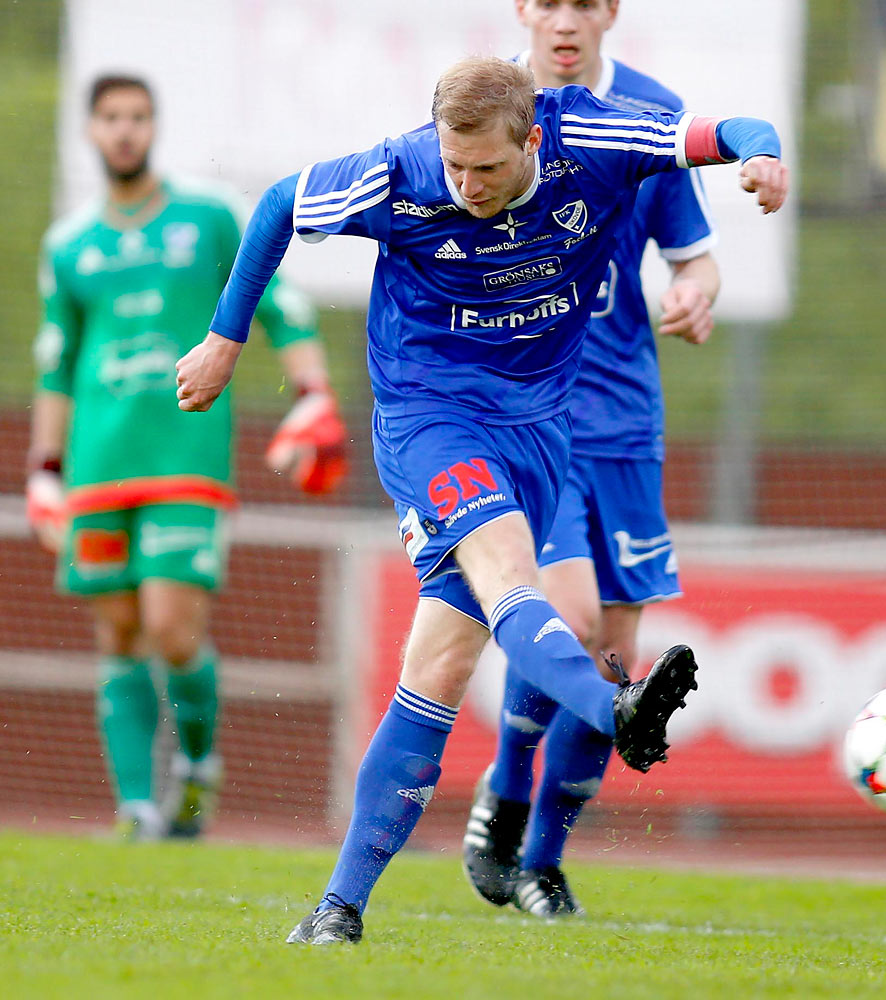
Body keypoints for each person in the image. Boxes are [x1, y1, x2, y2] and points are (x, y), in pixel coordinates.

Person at [175, 55, 787, 945]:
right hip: (431, 417)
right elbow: (277, 204)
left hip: (540, 432)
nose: (465, 185)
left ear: (534, 138)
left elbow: (721, 134)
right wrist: (226, 341)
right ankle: (609, 708)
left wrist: (762, 158)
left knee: (440, 669)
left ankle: (337, 910)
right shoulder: (401, 170)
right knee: (510, 575)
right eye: (453, 165)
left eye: (487, 169)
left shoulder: (594, 137)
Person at [26, 74, 346, 842]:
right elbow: (55, 364)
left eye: (137, 117)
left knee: (173, 628)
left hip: (185, 458)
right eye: (111, 119)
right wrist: (44, 469)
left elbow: (277, 302)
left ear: (153, 126)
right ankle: (136, 807)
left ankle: (197, 767)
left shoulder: (206, 217)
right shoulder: (69, 245)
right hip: (98, 466)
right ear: (92, 131)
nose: (125, 131)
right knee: (118, 632)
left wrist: (313, 391)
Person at [461, 0, 721, 920]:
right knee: (564, 618)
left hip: (627, 427)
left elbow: (696, 259)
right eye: (550, 1)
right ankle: (504, 787)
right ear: (524, 10)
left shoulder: (651, 118)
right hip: (536, 416)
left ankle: (543, 864)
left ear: (609, 11)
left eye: (585, 1)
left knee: (616, 661)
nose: (566, 18)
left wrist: (695, 294)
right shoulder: (491, 109)